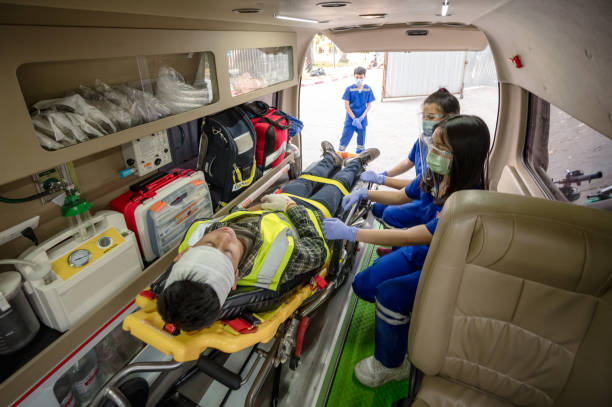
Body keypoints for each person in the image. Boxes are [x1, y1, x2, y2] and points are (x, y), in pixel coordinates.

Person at [322, 115, 490, 388]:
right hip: (423, 252)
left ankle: (392, 364)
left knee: (390, 294)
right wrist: (366, 192)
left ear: (463, 154)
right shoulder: (436, 175)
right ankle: (410, 315)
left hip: (445, 266)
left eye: (440, 148)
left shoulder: (465, 202)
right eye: (432, 144)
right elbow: (402, 196)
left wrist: (352, 232)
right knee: (364, 285)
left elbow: (411, 235)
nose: (431, 152)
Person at [157, 142, 380, 332]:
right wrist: (292, 208)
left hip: (270, 207)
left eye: (209, 243)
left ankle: (330, 158)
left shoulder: (195, 236)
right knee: (337, 184)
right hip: (309, 215)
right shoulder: (275, 264)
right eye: (227, 252)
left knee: (308, 177)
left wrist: (256, 208)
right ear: (234, 277)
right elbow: (318, 250)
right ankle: (356, 163)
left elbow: (232, 220)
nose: (225, 237)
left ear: (185, 253)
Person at [361, 88, 460, 230]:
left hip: (428, 198)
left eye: (431, 117)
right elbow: (409, 162)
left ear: (449, 118)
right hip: (421, 191)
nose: (425, 121)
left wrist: (382, 181)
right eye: (424, 117)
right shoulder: (423, 141)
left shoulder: (449, 158)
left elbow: (421, 186)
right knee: (378, 208)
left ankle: (399, 243)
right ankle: (397, 242)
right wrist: (383, 175)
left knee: (390, 213)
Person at [339, 66, 375, 154]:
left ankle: (359, 156)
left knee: (361, 140)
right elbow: (346, 106)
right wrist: (354, 118)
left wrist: (361, 118)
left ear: (364, 77)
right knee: (345, 137)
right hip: (350, 119)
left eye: (361, 77)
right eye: (357, 77)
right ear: (354, 76)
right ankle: (339, 154)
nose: (359, 79)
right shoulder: (349, 89)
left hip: (362, 120)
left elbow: (369, 105)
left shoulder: (368, 89)